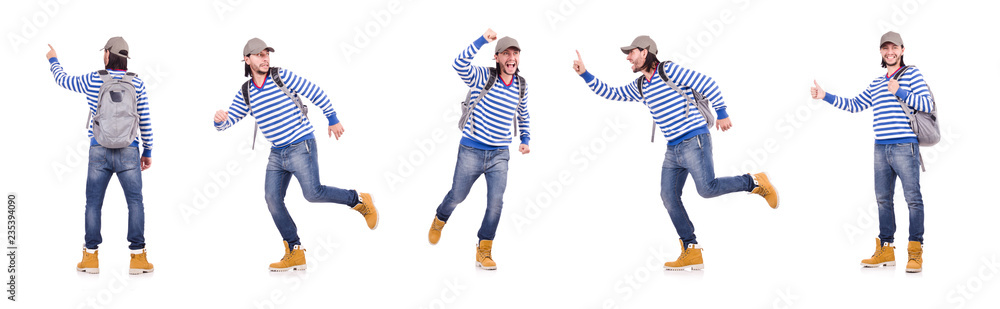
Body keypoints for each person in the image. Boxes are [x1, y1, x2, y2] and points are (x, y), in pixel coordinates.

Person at [572, 35, 778, 271]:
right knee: (668, 196)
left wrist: (721, 112)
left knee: (707, 188)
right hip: (672, 148)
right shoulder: (641, 85)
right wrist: (585, 74)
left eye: (632, 52)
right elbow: (612, 92)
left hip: (694, 140)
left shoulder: (668, 71)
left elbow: (708, 83)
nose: (628, 57)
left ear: (646, 51)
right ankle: (690, 250)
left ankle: (754, 181)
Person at [213, 38, 378, 272]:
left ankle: (359, 200)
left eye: (266, 54)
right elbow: (229, 121)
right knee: (272, 199)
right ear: (247, 60)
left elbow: (315, 91)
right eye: (258, 55)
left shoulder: (281, 76)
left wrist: (332, 119)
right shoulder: (246, 92)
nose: (265, 58)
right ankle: (295, 251)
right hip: (277, 153)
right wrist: (219, 120)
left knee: (312, 193)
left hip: (301, 144)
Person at [810, 31, 933, 273]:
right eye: (885, 48)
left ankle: (915, 252)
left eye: (894, 48)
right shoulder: (876, 83)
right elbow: (855, 105)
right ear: (881, 52)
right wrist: (826, 96)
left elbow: (928, 105)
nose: (890, 52)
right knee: (883, 200)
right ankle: (886, 250)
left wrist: (901, 91)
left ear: (902, 50)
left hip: (905, 147)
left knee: (913, 199)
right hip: (880, 148)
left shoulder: (912, 75)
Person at [47, 37, 155, 275]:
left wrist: (53, 59)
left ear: (108, 54)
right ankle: (138, 258)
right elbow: (145, 120)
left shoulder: (93, 79)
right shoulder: (137, 83)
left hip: (99, 149)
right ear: (126, 57)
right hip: (129, 150)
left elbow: (62, 79)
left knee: (93, 204)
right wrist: (147, 150)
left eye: (104, 52)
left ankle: (91, 258)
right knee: (135, 203)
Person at [427, 29, 531, 271]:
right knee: (457, 195)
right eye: (506, 53)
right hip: (471, 149)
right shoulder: (482, 76)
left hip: (499, 154)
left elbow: (523, 114)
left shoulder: (522, 86)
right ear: (497, 58)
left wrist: (524, 138)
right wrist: (482, 40)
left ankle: (484, 248)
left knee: (496, 203)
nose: (511, 57)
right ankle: (440, 218)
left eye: (515, 53)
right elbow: (459, 64)